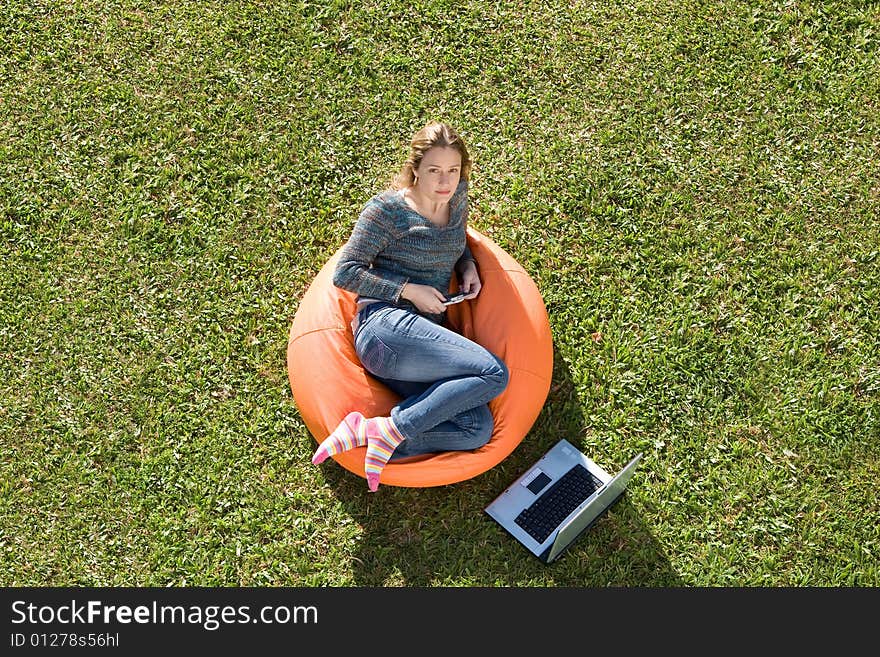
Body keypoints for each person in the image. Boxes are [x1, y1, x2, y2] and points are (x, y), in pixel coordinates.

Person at [311, 121, 509, 492]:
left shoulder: (456, 197)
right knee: (493, 374)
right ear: (415, 169)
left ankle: (369, 436)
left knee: (476, 429)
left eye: (453, 170)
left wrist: (466, 264)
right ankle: (393, 428)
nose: (444, 181)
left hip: (425, 343)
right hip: (385, 328)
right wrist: (408, 290)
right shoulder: (387, 211)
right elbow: (346, 273)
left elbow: (456, 238)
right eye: (434, 171)